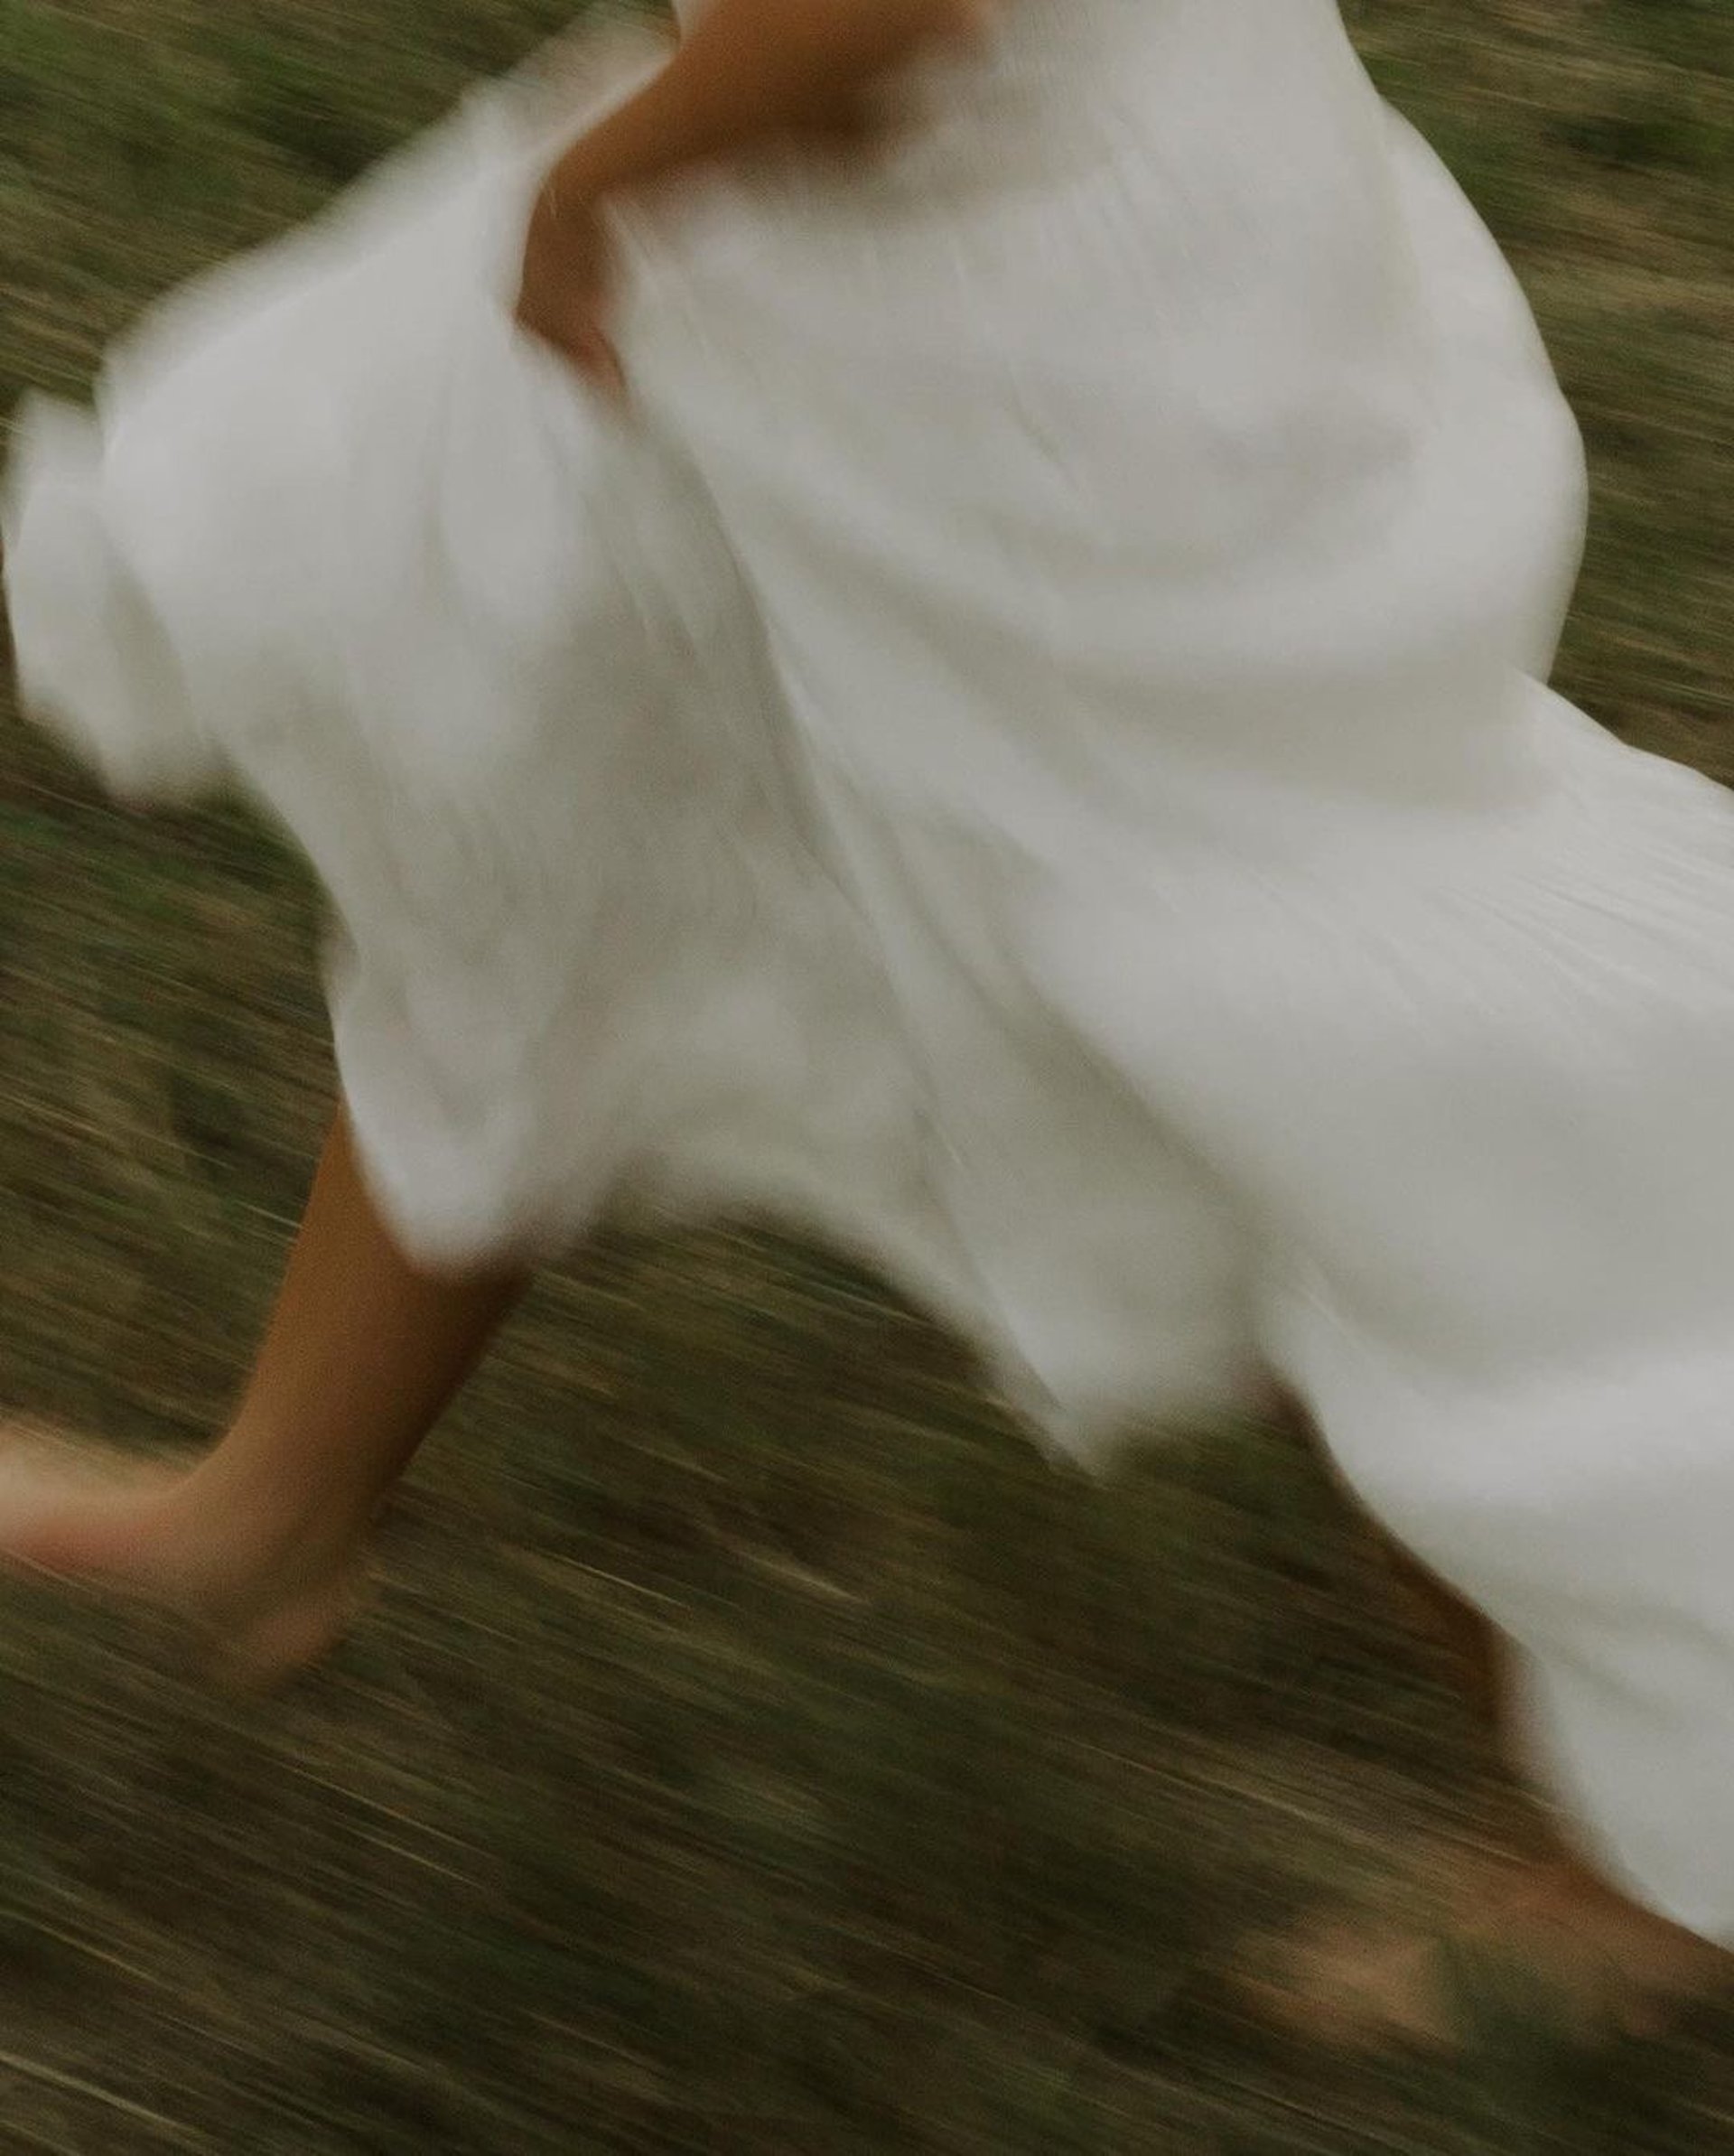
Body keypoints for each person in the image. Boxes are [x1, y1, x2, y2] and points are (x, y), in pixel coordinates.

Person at [5, 0, 1734, 2039]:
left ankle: (1663, 1838)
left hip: (972, 305)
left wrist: (600, 189)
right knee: (558, 787)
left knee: (1247, 1039)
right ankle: (274, 1500)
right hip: (861, 221)